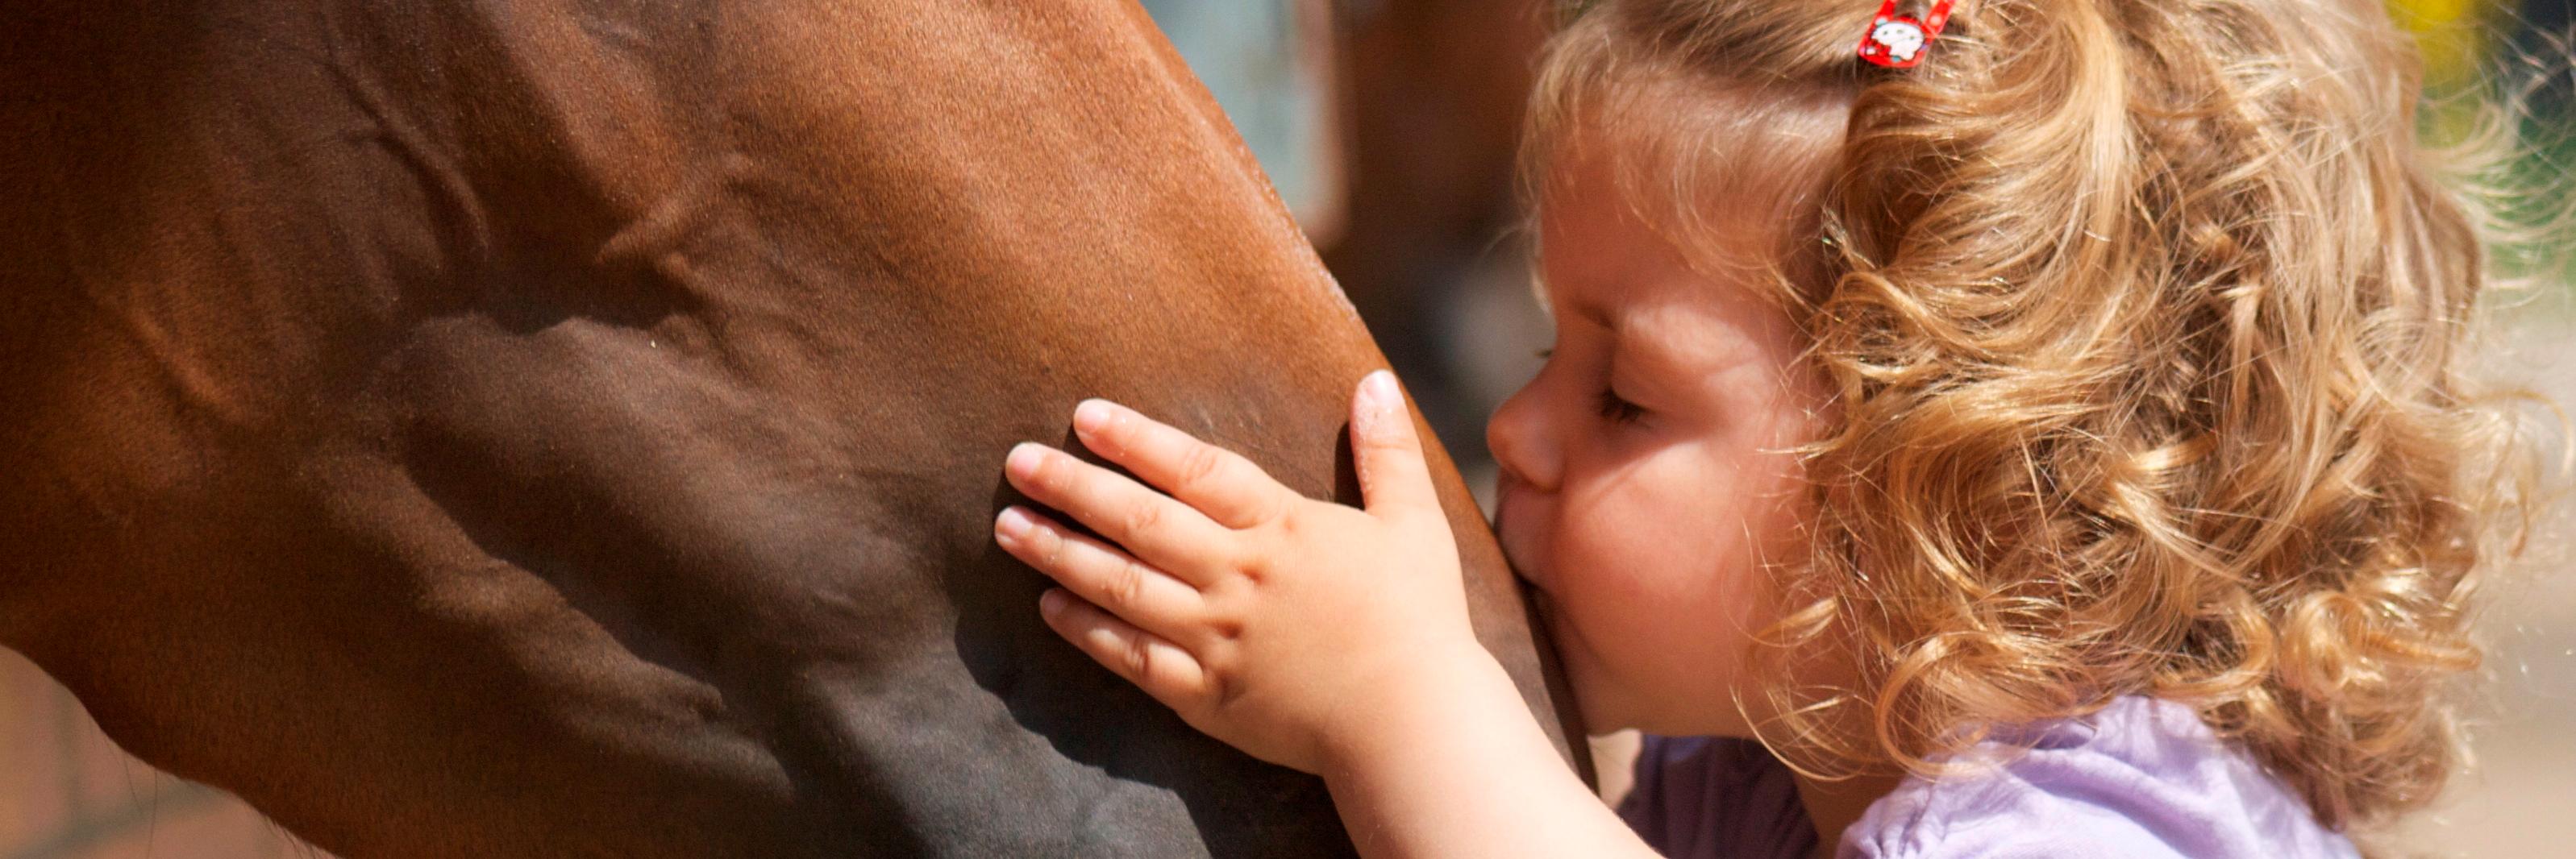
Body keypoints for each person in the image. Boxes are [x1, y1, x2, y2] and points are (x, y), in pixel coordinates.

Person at [988, 0, 2553, 855]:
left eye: (1621, 395)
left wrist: (1392, 698)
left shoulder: (2079, 832)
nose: (1516, 431)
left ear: (1942, 487)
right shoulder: (1763, 772)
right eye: (1544, 346)